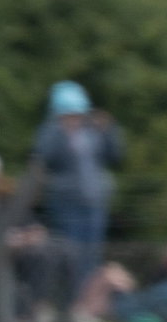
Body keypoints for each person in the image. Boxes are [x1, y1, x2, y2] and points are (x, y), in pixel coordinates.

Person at [33, 80, 125, 292]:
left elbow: (115, 155)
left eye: (78, 114)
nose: (74, 119)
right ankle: (70, 300)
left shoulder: (92, 132)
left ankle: (87, 302)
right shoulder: (50, 132)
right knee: (71, 256)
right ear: (58, 113)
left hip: (95, 204)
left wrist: (109, 130)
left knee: (92, 255)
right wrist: (59, 131)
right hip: (67, 207)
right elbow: (44, 156)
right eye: (69, 114)